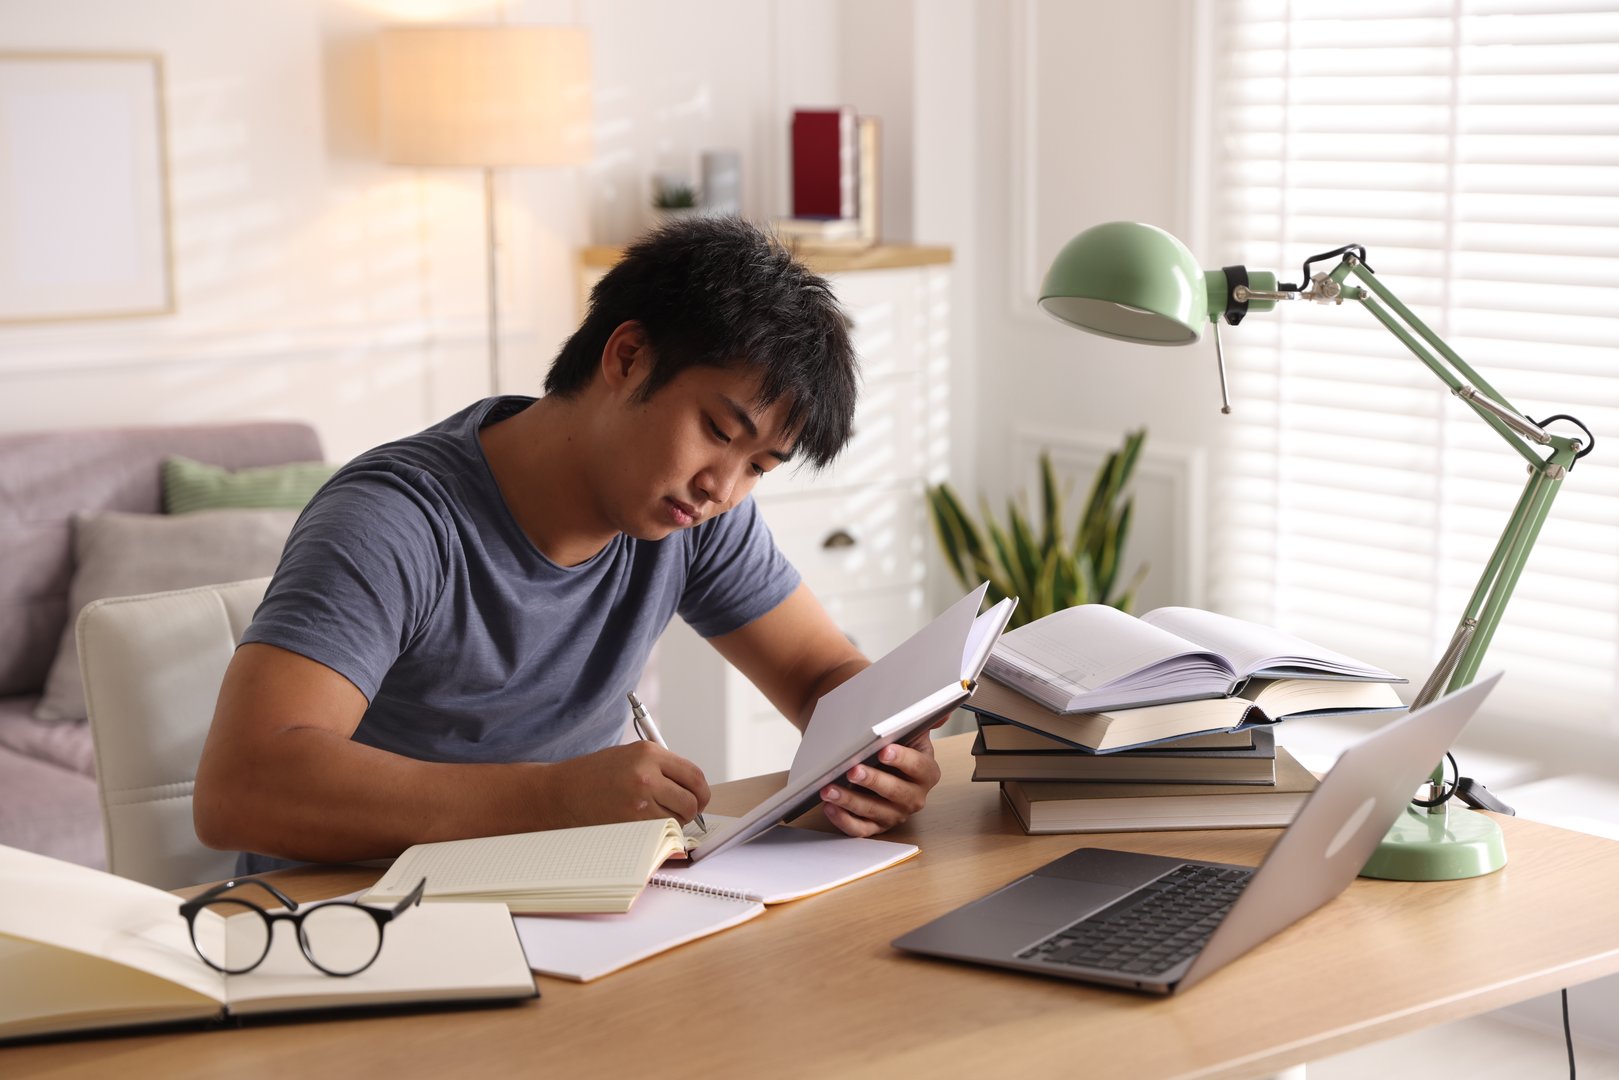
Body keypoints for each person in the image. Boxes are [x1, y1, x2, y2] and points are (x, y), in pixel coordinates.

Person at [193, 217, 944, 873]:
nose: (723, 487)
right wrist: (552, 796)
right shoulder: (396, 520)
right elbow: (241, 789)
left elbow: (820, 671)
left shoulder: (694, 516)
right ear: (626, 359)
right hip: (348, 926)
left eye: (758, 467)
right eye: (718, 432)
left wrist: (879, 756)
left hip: (560, 910)